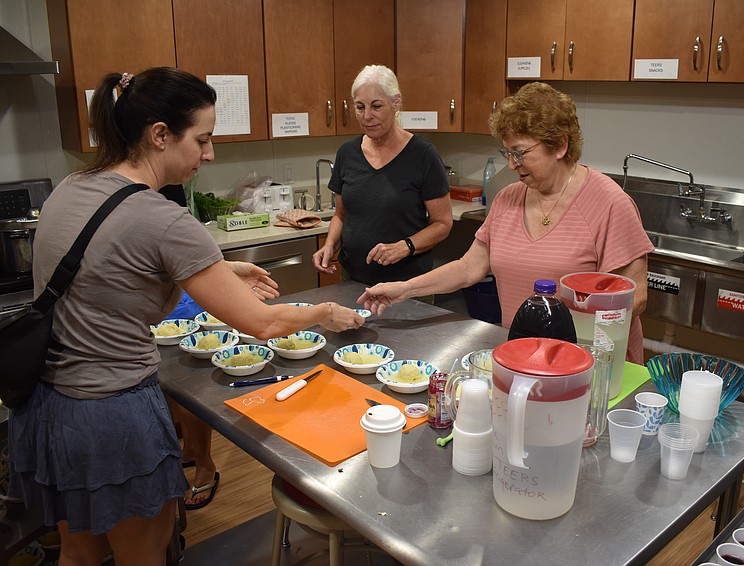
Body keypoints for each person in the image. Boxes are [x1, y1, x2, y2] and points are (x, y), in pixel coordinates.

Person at [7, 67, 363, 566]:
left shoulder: (72, 187)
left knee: (80, 554)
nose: (210, 153)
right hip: (113, 417)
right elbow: (260, 324)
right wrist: (323, 310)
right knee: (144, 557)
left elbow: (120, 278)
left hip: (51, 408)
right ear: (159, 135)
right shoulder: (165, 219)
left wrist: (222, 268)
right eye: (203, 138)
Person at [358, 82, 653, 364]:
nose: (511, 164)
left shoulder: (609, 203)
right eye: (507, 153)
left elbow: (636, 297)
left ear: (560, 145)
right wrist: (404, 289)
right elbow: (468, 267)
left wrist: (579, 330)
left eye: (520, 152)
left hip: (590, 367)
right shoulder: (507, 199)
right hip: (523, 358)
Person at [312, 65, 453, 296]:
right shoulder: (347, 153)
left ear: (396, 103)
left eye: (376, 106)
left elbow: (442, 224)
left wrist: (405, 247)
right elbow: (341, 214)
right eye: (360, 107)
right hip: (353, 281)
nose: (367, 116)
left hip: (407, 285)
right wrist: (329, 246)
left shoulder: (423, 155)